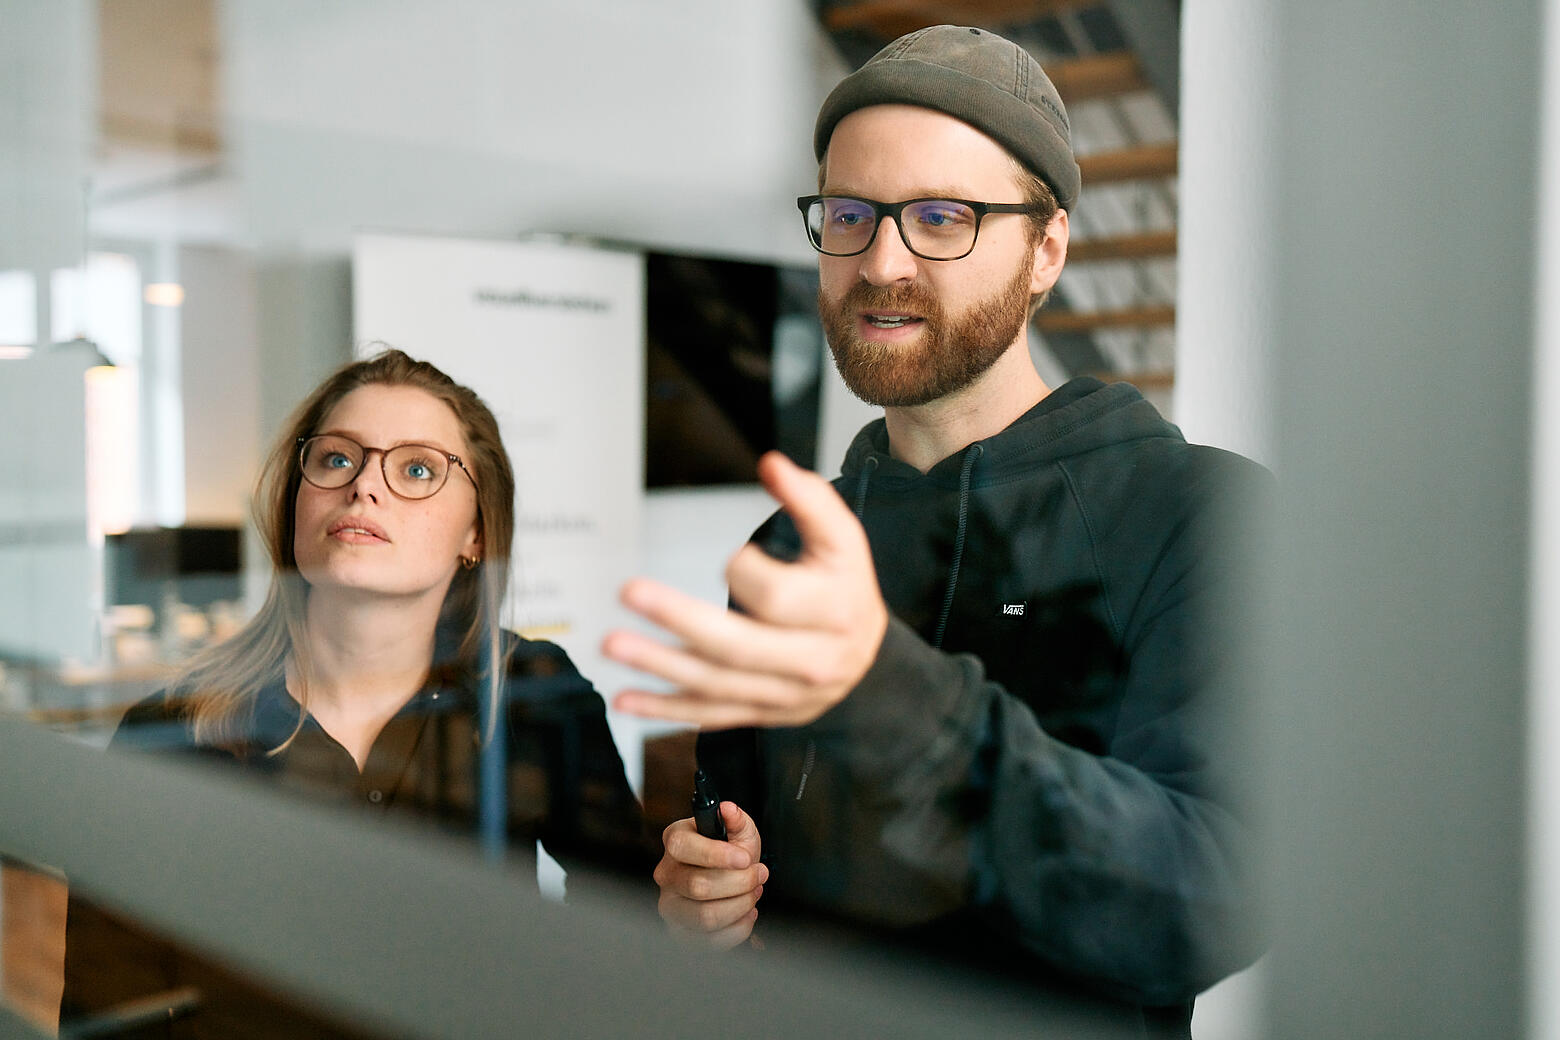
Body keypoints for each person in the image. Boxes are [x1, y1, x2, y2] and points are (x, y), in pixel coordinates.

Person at [603, 25, 1267, 1038]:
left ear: (1046, 250)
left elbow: (1202, 905)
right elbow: (736, 851)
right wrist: (707, 904)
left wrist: (886, 687)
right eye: (851, 214)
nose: (881, 262)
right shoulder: (792, 544)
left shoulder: (1201, 516)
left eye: (942, 217)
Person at [61, 348, 649, 1038]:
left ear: (475, 532)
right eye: (338, 459)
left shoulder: (530, 690)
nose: (364, 485)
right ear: (295, 501)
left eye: (418, 469)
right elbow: (108, 1002)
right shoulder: (177, 726)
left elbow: (626, 924)